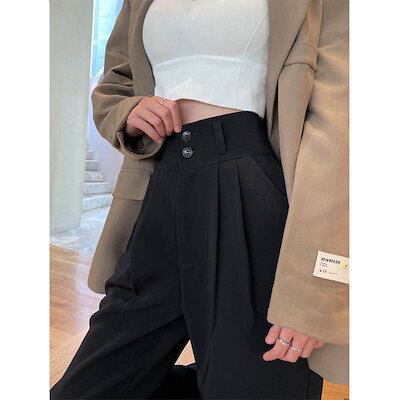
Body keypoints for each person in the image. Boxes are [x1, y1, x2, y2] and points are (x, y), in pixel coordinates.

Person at [51, 0, 349, 398]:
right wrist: (128, 111)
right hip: (160, 187)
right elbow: (116, 83)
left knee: (252, 386)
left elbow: (338, 129)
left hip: (253, 196)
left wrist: (317, 288)